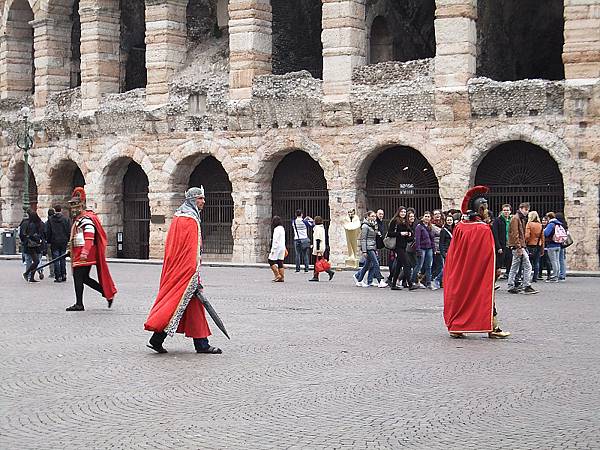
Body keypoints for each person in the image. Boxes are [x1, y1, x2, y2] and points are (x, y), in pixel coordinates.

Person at [144, 186, 222, 354]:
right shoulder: (189, 220)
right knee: (174, 304)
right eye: (200, 198)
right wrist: (194, 276)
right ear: (193, 200)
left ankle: (161, 340)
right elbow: (191, 251)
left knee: (190, 307)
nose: (203, 201)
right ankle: (199, 344)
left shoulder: (180, 216)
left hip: (179, 270)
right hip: (185, 272)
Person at [443, 186, 510, 339]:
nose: (487, 211)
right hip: (478, 271)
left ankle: (456, 327)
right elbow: (489, 254)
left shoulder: (460, 226)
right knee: (485, 295)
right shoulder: (482, 229)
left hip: (460, 270)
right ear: (480, 209)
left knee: (460, 295)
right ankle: (493, 328)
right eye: (485, 208)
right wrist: (496, 268)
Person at [65, 187, 117, 311]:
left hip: (84, 254)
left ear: (81, 205)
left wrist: (85, 251)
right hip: (78, 252)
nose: (73, 208)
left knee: (78, 277)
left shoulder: (86, 219)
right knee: (84, 278)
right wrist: (70, 250)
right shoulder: (78, 220)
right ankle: (105, 292)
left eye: (75, 205)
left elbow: (89, 236)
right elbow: (76, 237)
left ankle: (79, 304)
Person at [507, 202, 538, 295]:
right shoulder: (516, 219)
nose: (527, 212)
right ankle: (526, 285)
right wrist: (519, 247)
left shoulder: (519, 218)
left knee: (515, 266)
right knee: (527, 265)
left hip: (519, 245)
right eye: (526, 210)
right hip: (518, 246)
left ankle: (512, 285)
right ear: (521, 208)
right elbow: (515, 234)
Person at [353, 211, 387, 288]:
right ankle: (380, 280)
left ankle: (359, 280)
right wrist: (364, 251)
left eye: (374, 216)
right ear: (367, 217)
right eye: (372, 216)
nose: (374, 218)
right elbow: (363, 239)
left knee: (367, 265)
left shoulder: (373, 225)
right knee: (376, 263)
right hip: (368, 247)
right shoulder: (365, 226)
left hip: (373, 246)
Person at [386, 206, 413, 290]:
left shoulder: (405, 222)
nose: (403, 213)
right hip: (397, 246)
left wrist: (409, 235)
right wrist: (400, 233)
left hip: (404, 245)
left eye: (404, 212)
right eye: (402, 212)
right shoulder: (395, 221)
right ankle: (410, 284)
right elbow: (390, 233)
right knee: (406, 264)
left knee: (398, 265)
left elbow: (409, 235)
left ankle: (393, 284)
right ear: (398, 212)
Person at [46, 204, 71, 283]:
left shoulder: (51, 219)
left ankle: (58, 276)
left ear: (55, 210)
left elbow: (48, 231)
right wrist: (67, 239)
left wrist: (49, 240)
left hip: (54, 240)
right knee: (62, 257)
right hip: (63, 240)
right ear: (61, 210)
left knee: (56, 258)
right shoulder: (66, 219)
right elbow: (68, 230)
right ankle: (64, 274)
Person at [410, 211, 435, 290]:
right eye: (426, 216)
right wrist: (418, 249)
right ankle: (412, 281)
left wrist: (433, 248)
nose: (427, 218)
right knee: (419, 265)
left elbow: (432, 239)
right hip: (422, 248)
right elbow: (417, 239)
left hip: (429, 248)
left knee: (429, 266)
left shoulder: (430, 227)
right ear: (423, 217)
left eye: (428, 216)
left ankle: (429, 283)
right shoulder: (419, 227)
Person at [19, 209, 45, 283]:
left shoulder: (29, 223)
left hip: (31, 244)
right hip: (32, 244)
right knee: (36, 261)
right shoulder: (32, 224)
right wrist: (39, 240)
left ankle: (31, 276)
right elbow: (32, 235)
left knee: (32, 261)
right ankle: (27, 274)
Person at [308, 216, 335, 282]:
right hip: (321, 246)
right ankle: (321, 274)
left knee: (317, 262)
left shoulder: (317, 228)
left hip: (318, 247)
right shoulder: (321, 228)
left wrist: (317, 249)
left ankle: (317, 275)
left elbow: (318, 239)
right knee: (320, 262)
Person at [432, 214, 454, 290]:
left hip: (453, 251)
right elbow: (441, 243)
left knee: (451, 268)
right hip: (446, 251)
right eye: (448, 220)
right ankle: (437, 279)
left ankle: (444, 282)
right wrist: (443, 253)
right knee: (445, 268)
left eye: (451, 220)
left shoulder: (454, 229)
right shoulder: (443, 230)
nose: (449, 221)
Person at [544, 211, 566, 282]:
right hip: (558, 245)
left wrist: (543, 230)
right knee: (557, 261)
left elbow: (546, 233)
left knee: (553, 261)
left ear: (549, 217)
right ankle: (558, 275)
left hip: (551, 245)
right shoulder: (559, 224)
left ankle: (554, 277)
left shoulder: (551, 224)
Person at [492, 204, 512, 279]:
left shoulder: (512, 220)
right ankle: (494, 281)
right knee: (498, 266)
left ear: (510, 211)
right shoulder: (497, 220)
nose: (506, 212)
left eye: (507, 210)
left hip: (510, 245)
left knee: (510, 263)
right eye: (504, 210)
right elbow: (495, 234)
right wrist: (498, 246)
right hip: (501, 245)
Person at [525, 211, 544, 283]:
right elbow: (543, 237)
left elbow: (527, 235)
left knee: (528, 262)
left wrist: (525, 242)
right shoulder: (540, 225)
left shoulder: (529, 224)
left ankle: (527, 277)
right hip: (538, 245)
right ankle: (535, 277)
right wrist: (542, 248)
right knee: (536, 262)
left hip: (530, 244)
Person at [268, 216, 286, 282]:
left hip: (277, 247)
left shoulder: (276, 229)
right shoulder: (282, 228)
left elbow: (275, 240)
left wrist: (273, 249)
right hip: (282, 247)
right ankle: (282, 277)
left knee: (270, 260)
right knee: (280, 261)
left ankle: (277, 275)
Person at [556, 212, 569, 281]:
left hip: (559, 243)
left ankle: (560, 274)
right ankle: (563, 274)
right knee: (562, 259)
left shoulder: (558, 225)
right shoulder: (565, 225)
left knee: (559, 259)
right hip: (563, 244)